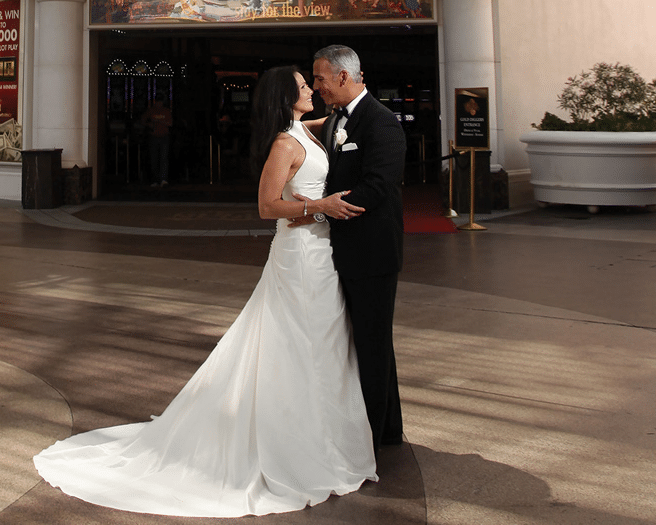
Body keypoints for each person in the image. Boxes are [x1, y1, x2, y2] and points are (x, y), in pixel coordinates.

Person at [33, 66, 377, 518]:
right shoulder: (285, 143)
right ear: (285, 97)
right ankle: (291, 440)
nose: (312, 88)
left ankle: (321, 431)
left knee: (323, 342)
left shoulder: (304, 130)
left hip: (318, 254)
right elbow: (266, 205)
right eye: (302, 85)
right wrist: (320, 207)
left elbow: (336, 123)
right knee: (297, 342)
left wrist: (361, 111)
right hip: (298, 258)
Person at [293, 44, 406, 450]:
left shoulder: (382, 123)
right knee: (367, 342)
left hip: (372, 252)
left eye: (320, 78)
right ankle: (387, 427)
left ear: (343, 76)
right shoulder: (337, 119)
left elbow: (378, 186)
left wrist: (322, 211)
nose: (318, 86)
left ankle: (372, 436)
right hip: (344, 251)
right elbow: (298, 131)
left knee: (372, 344)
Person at [141, 98, 173, 187]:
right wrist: (149, 124)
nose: (158, 103)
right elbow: (142, 120)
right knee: (154, 159)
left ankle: (163, 179)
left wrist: (159, 121)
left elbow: (170, 123)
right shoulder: (151, 111)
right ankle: (155, 180)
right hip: (153, 136)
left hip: (164, 137)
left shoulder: (166, 111)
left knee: (163, 158)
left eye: (160, 102)